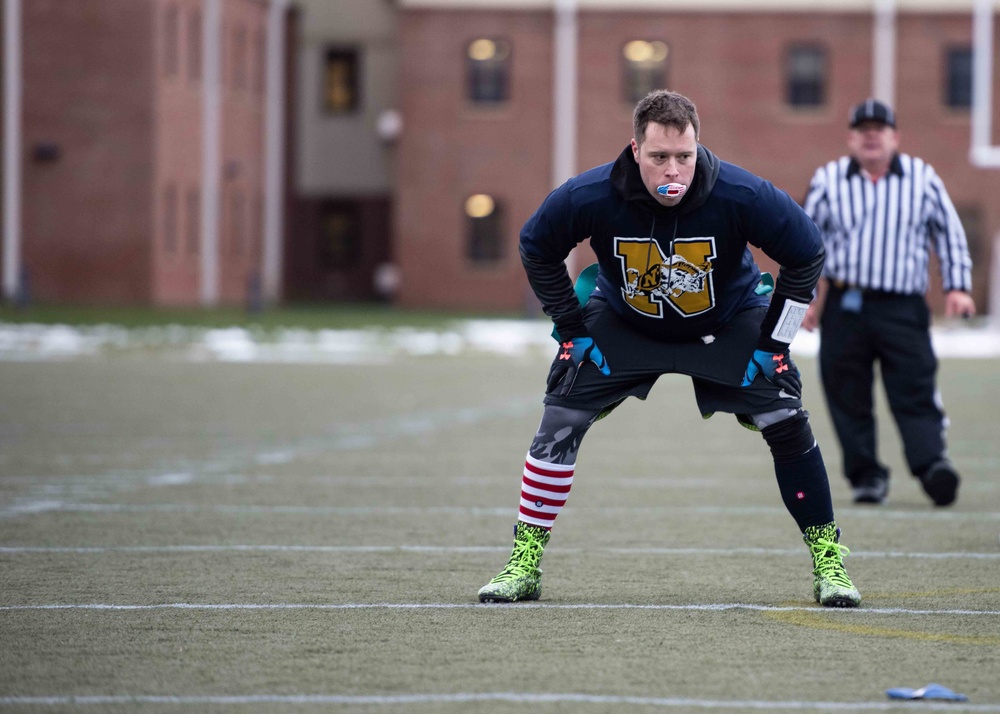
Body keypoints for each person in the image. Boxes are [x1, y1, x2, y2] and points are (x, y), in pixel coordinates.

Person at [478, 90, 861, 608]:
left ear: (698, 147)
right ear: (635, 150)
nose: (673, 169)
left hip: (726, 319)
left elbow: (807, 251)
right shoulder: (590, 194)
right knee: (560, 417)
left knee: (786, 419)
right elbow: (536, 245)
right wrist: (571, 330)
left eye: (684, 155)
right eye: (659, 157)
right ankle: (523, 563)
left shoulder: (741, 193)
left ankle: (828, 563)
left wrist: (776, 341)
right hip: (625, 320)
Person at [802, 98, 975, 507]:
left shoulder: (922, 178)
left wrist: (958, 286)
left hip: (902, 305)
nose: (872, 137)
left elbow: (948, 232)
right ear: (851, 138)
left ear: (894, 137)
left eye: (880, 130)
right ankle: (866, 476)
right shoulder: (828, 180)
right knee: (847, 390)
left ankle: (931, 464)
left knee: (914, 386)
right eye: (864, 130)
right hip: (846, 303)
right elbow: (806, 243)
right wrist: (805, 299)